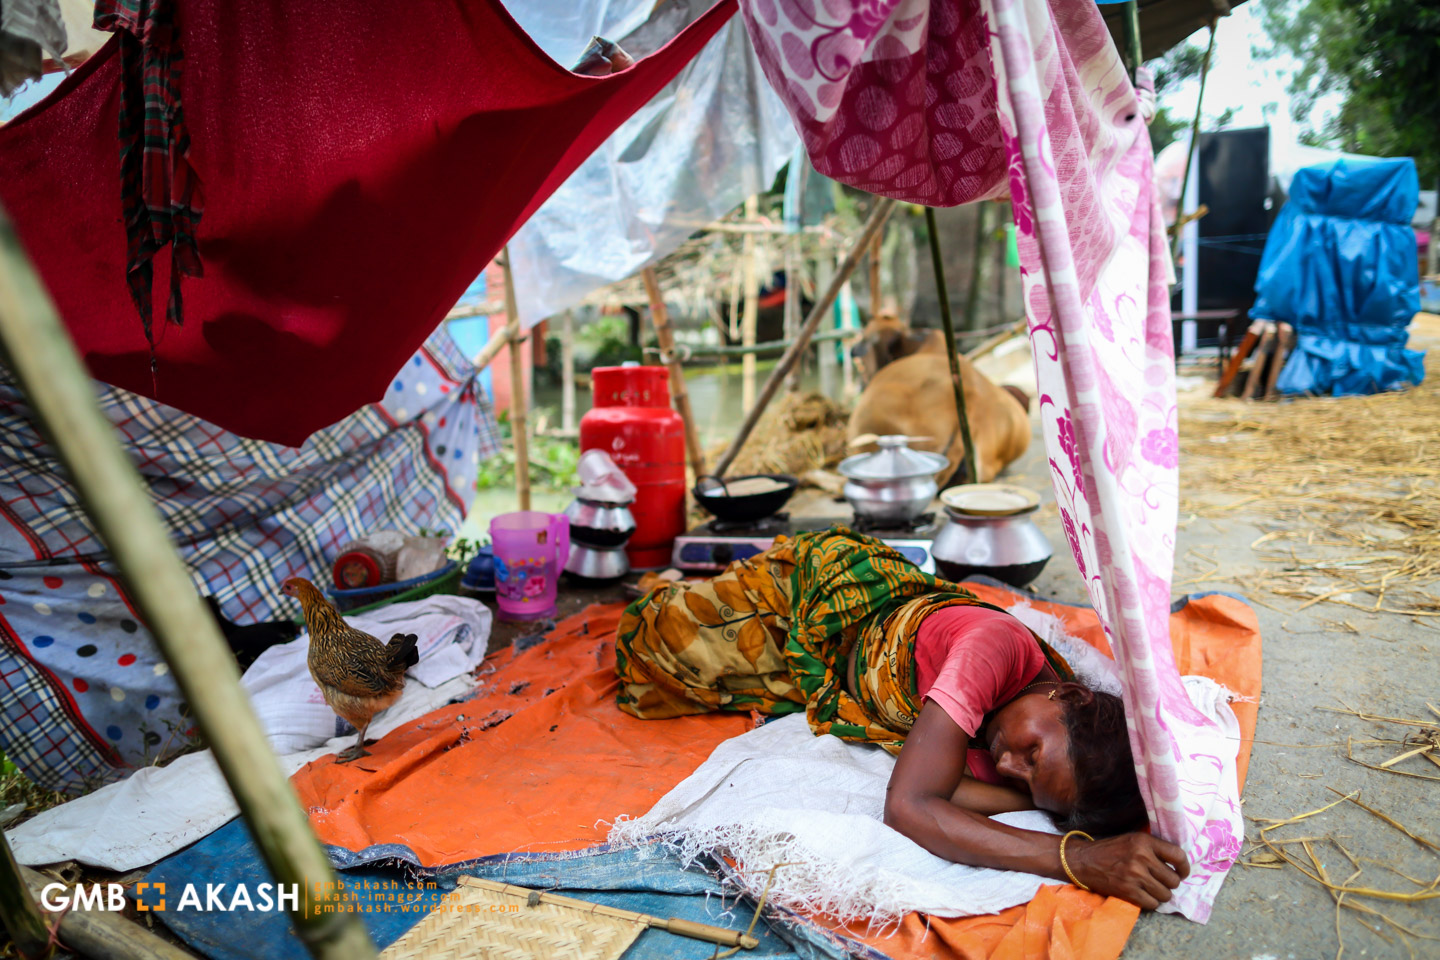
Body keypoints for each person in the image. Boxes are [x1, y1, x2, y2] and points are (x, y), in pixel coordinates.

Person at [616, 527, 1190, 909]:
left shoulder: (1023, 751)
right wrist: (1079, 859)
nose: (1007, 763)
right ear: (1070, 697)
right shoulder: (993, 648)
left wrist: (1033, 794)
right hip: (827, 596)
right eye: (1033, 753)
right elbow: (911, 805)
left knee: (702, 676)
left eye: (1028, 783)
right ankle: (680, 582)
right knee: (646, 648)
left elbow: (949, 795)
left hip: (834, 665)